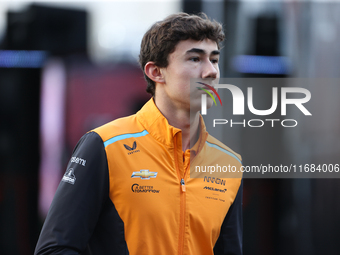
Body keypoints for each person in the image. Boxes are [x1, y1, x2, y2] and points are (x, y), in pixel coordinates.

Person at [35, 12, 243, 255]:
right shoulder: (105, 146)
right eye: (195, 59)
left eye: (215, 60)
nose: (211, 72)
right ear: (156, 72)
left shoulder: (228, 163)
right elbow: (54, 249)